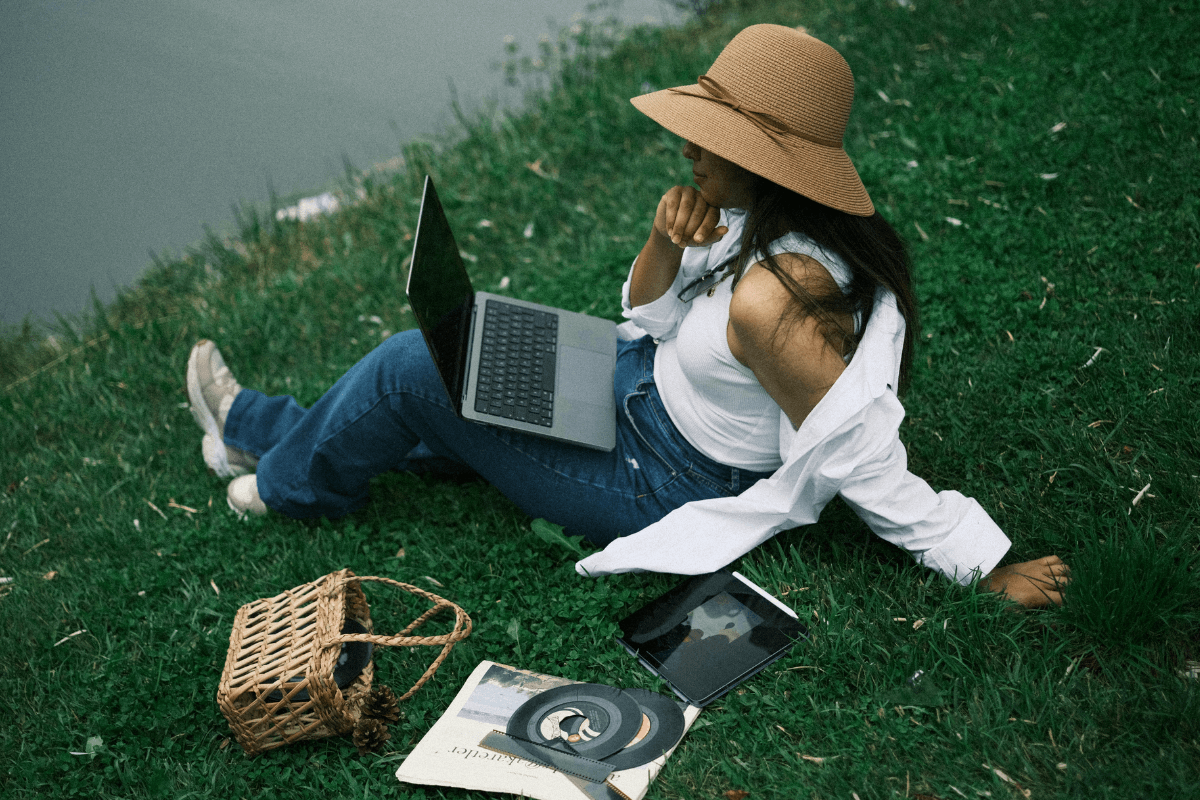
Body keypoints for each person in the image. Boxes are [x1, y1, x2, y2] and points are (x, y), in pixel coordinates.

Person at [185, 24, 1068, 607]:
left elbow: (856, 447)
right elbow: (649, 315)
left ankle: (283, 476)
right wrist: (665, 242)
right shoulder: (760, 224)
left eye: (712, 138)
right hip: (630, 380)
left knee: (411, 369)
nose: (688, 148)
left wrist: (979, 565)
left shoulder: (779, 298)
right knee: (457, 362)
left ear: (770, 161)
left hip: (656, 475)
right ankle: (260, 432)